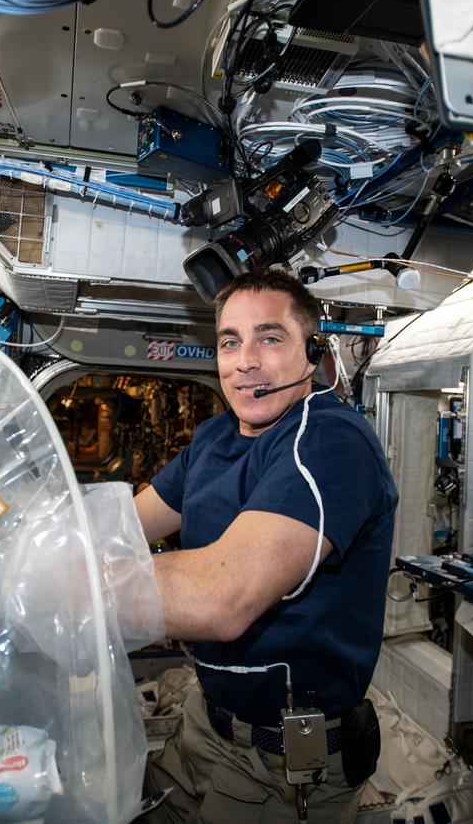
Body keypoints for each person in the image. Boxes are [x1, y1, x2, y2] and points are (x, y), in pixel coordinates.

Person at [135, 268, 399, 823]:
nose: (245, 361)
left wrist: (55, 587)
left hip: (282, 766)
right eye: (230, 342)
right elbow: (126, 524)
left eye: (270, 339)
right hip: (206, 726)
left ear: (314, 353)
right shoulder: (215, 437)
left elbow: (222, 598)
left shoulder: (330, 441)